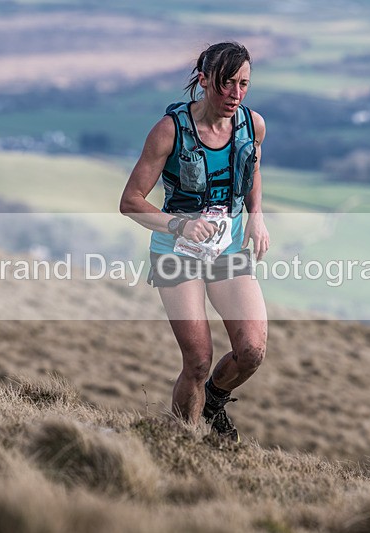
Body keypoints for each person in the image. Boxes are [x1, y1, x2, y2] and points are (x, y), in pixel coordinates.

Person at [119, 41, 269, 442]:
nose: (235, 95)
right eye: (226, 84)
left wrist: (256, 216)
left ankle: (215, 401)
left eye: (244, 84)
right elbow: (130, 202)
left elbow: (252, 167)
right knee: (198, 361)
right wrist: (179, 226)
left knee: (252, 350)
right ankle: (183, 444)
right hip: (177, 255)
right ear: (203, 80)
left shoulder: (252, 124)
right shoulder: (169, 131)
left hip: (229, 251)